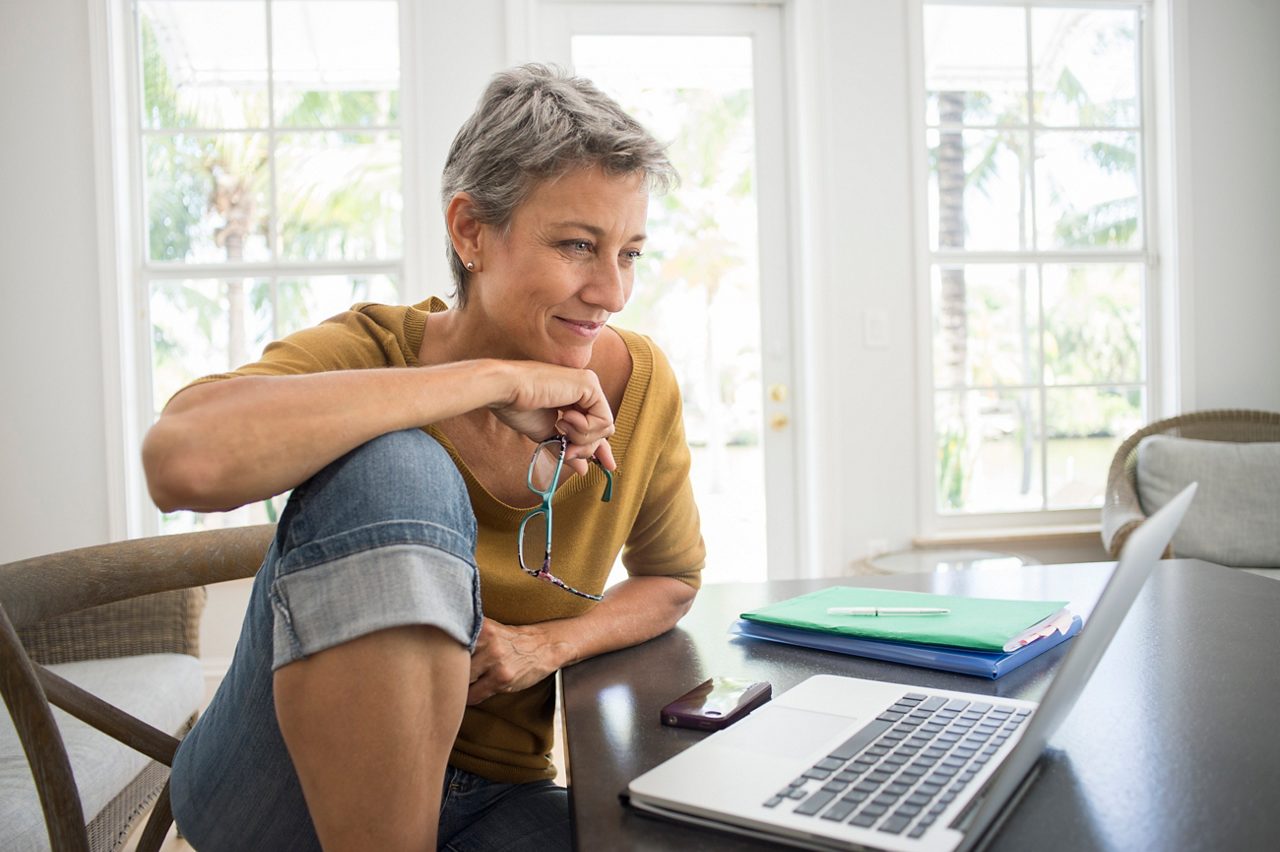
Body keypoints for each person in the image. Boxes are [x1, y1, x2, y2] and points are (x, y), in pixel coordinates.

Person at [142, 64, 705, 851]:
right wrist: (486, 381)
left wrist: (549, 646)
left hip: (490, 796)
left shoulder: (638, 384)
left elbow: (672, 578)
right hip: (278, 790)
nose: (611, 290)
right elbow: (181, 462)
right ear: (470, 230)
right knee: (394, 464)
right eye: (579, 245)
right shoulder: (370, 349)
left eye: (631, 253)